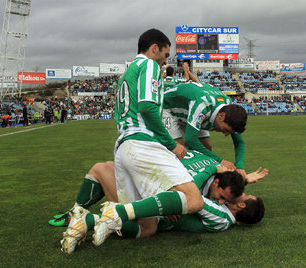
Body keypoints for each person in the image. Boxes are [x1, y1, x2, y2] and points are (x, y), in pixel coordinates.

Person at [57, 150, 267, 253]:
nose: (220, 201)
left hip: (151, 176)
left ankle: (86, 219)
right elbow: (194, 197)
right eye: (221, 197)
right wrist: (177, 204)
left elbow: (206, 196)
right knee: (147, 225)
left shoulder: (214, 177)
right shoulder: (219, 207)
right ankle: (98, 212)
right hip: (150, 178)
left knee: (148, 229)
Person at [111, 28, 204, 244]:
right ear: (155, 48)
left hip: (123, 147)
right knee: (194, 199)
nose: (165, 60)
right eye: (165, 54)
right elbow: (147, 107)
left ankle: (89, 221)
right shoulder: (149, 65)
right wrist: (171, 144)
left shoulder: (127, 72)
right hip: (142, 144)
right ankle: (111, 215)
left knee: (147, 227)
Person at [163, 82, 248, 176]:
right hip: (169, 109)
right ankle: (180, 181)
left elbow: (239, 142)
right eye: (226, 130)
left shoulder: (230, 110)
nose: (226, 134)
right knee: (180, 151)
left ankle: (204, 179)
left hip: (191, 112)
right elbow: (190, 140)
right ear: (221, 116)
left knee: (206, 147)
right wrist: (220, 161)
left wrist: (240, 166)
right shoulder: (203, 105)